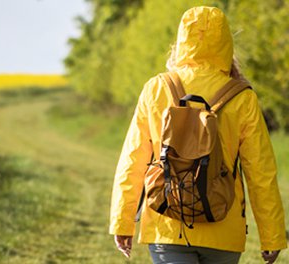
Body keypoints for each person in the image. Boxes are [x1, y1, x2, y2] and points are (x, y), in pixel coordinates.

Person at [109, 6, 287, 264]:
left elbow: (133, 160)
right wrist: (272, 237)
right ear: (226, 43)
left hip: (167, 223)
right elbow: (261, 173)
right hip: (222, 226)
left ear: (181, 41)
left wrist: (122, 222)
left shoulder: (157, 88)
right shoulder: (242, 97)